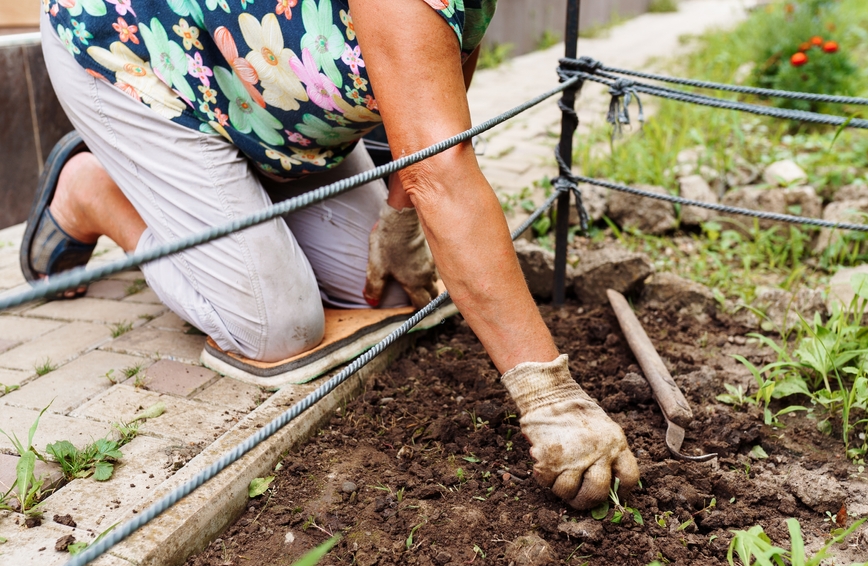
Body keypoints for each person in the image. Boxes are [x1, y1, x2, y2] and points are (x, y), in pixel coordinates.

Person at [24, 0, 638, 509]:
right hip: (139, 56)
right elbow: (443, 176)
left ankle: (237, 197)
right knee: (275, 328)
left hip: (268, 93)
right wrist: (548, 393)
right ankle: (94, 191)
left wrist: (401, 214)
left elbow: (442, 75)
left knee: (392, 289)